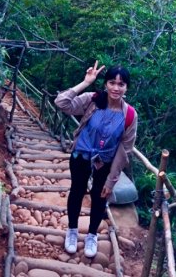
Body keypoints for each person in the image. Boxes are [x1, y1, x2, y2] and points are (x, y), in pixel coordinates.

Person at [54, 61, 137, 258]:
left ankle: (92, 235)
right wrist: (85, 82)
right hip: (81, 154)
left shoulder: (130, 115)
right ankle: (72, 231)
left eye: (121, 84)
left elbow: (125, 149)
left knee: (101, 196)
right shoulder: (93, 99)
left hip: (105, 162)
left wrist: (112, 179)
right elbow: (61, 102)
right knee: (77, 191)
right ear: (106, 84)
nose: (116, 88)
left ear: (126, 87)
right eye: (112, 83)